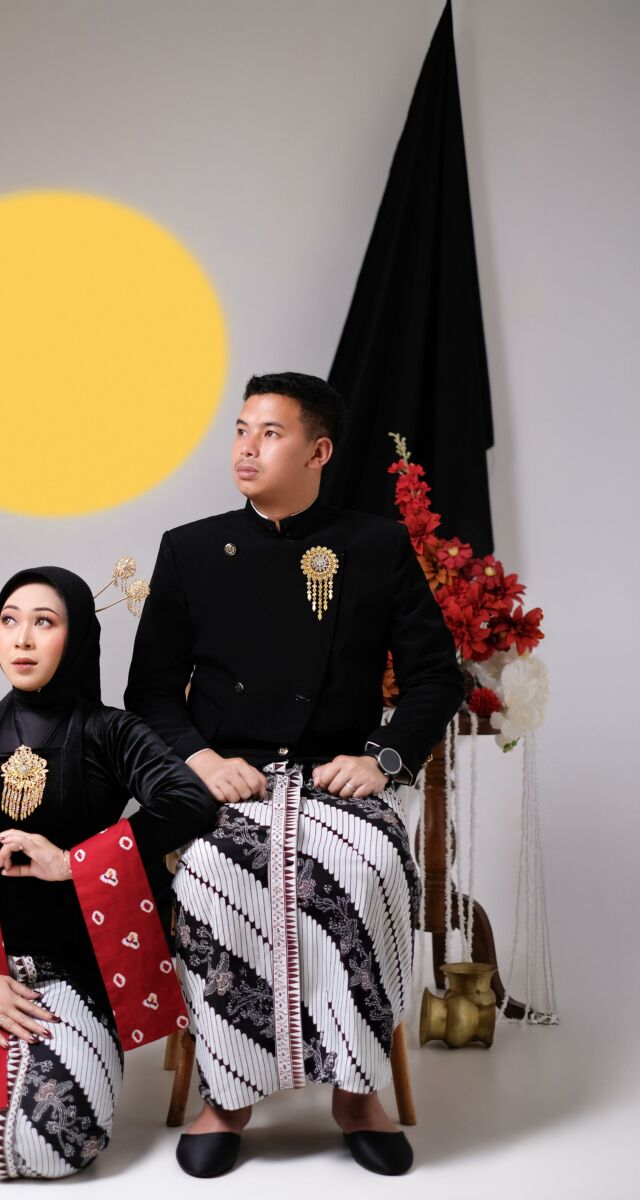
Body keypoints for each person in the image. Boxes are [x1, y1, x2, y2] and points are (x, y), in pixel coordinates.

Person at [125, 373, 464, 1178]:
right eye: (241, 430)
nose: (246, 448)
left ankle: (357, 1092)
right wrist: (202, 762)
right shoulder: (191, 548)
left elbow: (435, 678)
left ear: (318, 451)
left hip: (335, 775)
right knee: (211, 872)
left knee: (369, 867)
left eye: (270, 433)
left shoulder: (376, 545)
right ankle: (227, 1095)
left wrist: (383, 758)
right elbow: (149, 692)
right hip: (226, 777)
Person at [0, 566, 218, 1181]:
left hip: (74, 976)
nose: (22, 639)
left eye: (44, 622)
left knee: (57, 1143)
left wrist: (73, 863)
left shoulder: (111, 732)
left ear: (78, 635)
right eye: (9, 621)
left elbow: (189, 801)